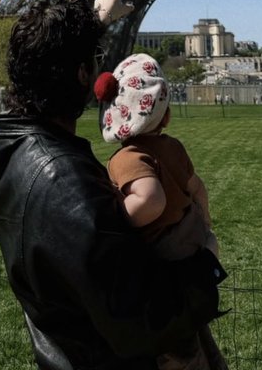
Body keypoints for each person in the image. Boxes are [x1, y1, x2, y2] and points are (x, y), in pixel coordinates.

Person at [0, 0, 226, 370]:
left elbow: (45, 56)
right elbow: (141, 320)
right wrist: (206, 264)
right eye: (94, 61)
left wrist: (96, 20)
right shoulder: (63, 181)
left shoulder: (1, 154)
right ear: (80, 76)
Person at [97, 55, 227, 370]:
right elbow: (198, 188)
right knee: (195, 330)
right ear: (166, 117)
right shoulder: (174, 148)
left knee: (174, 345)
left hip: (165, 260)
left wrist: (112, 220)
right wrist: (206, 228)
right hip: (193, 243)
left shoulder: (126, 157)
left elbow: (150, 201)